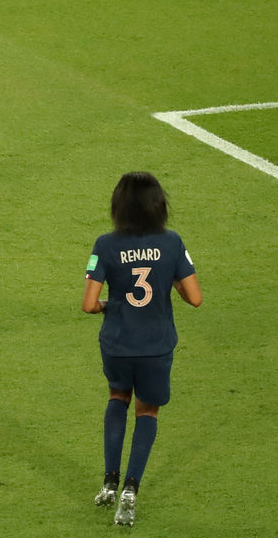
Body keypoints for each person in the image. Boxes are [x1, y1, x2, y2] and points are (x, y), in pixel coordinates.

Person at [82, 171, 202, 526]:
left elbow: (88, 304)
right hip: (156, 346)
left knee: (117, 398)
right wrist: (172, 283)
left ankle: (108, 483)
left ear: (118, 207)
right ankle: (131, 490)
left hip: (117, 344)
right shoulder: (173, 242)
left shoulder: (104, 244)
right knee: (147, 413)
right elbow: (194, 297)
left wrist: (108, 305)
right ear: (159, 206)